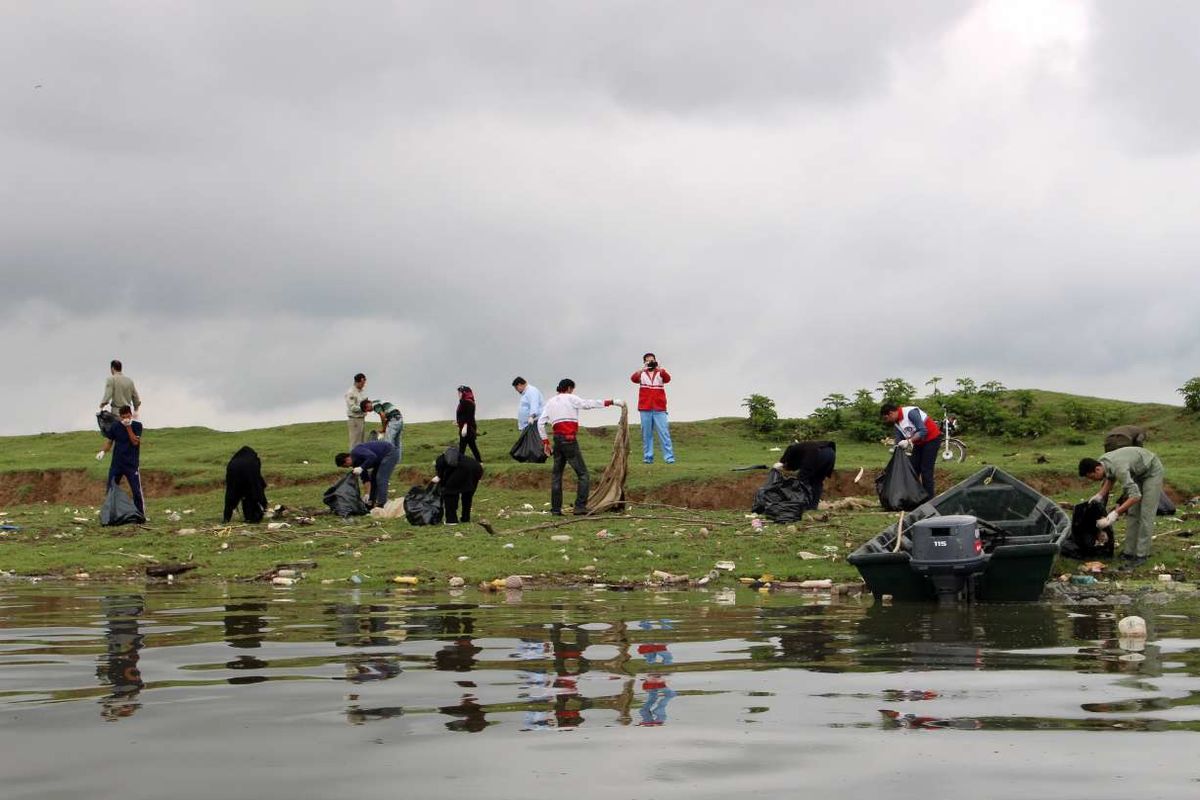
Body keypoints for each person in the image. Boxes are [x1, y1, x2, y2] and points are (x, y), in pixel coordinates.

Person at [537, 379, 625, 516]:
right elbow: (588, 404)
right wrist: (611, 402)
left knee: (556, 475)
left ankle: (555, 509)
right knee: (583, 474)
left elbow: (540, 423)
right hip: (569, 439)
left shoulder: (550, 402)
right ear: (569, 388)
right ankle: (579, 507)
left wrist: (546, 443)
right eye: (572, 389)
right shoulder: (571, 398)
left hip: (557, 440)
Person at [1079, 446, 1165, 569]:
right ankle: (1129, 553)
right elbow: (1110, 477)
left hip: (1151, 471)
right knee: (1133, 513)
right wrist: (1100, 495)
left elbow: (1135, 496)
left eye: (1092, 477)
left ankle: (1142, 555)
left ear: (1097, 469)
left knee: (1146, 514)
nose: (1093, 480)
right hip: (1137, 473)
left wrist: (1114, 514)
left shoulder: (1120, 469)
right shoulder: (1103, 461)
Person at [881, 403, 942, 499]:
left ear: (891, 413)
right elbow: (898, 437)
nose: (887, 421)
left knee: (926, 470)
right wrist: (896, 447)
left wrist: (909, 441)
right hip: (919, 443)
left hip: (931, 439)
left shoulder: (910, 413)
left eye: (886, 418)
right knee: (913, 469)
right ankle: (914, 497)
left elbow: (923, 431)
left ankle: (929, 499)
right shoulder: (897, 422)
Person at [96, 405, 145, 517]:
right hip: (117, 464)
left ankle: (140, 515)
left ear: (131, 415)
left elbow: (135, 442)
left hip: (131, 464)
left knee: (136, 491)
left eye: (127, 416)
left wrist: (128, 427)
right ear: (120, 417)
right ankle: (110, 515)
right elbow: (109, 442)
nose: (125, 419)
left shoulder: (137, 425)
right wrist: (103, 452)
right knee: (111, 489)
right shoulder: (115, 426)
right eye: (123, 417)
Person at [631, 353, 674, 464]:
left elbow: (668, 379)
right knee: (647, 434)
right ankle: (648, 457)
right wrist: (642, 369)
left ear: (655, 360)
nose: (650, 362)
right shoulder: (642, 374)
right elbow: (633, 378)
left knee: (664, 433)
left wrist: (660, 369)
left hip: (659, 408)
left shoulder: (660, 373)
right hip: (645, 408)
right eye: (648, 361)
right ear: (644, 362)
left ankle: (669, 458)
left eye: (652, 360)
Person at [334, 439, 398, 509]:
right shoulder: (356, 465)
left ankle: (382, 504)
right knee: (373, 478)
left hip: (389, 453)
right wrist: (367, 494)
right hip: (379, 459)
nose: (348, 467)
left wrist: (361, 467)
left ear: (347, 459)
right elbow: (366, 479)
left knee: (381, 478)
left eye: (346, 465)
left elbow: (372, 456)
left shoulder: (357, 451)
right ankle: (371, 503)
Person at [772, 440, 837, 509]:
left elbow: (780, 465)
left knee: (802, 480)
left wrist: (778, 468)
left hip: (816, 454)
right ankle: (812, 506)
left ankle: (801, 504)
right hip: (831, 454)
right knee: (817, 481)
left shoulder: (790, 451)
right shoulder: (802, 449)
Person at [432, 446, 484, 524]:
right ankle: (465, 518)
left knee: (449, 494)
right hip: (477, 468)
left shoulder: (440, 460)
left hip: (464, 470)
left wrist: (441, 485)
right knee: (467, 494)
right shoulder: (460, 457)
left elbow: (442, 478)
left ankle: (451, 520)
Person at [223, 446, 268, 523]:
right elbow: (256, 478)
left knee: (231, 495)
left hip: (234, 477)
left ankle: (226, 518)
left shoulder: (233, 461)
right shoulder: (253, 460)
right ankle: (252, 517)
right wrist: (263, 500)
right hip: (249, 480)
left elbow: (229, 480)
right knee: (250, 496)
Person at [456, 385, 482, 462]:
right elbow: (464, 416)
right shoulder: (468, 402)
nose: (459, 395)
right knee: (472, 446)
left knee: (463, 447)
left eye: (460, 393)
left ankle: (459, 463)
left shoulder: (467, 402)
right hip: (468, 428)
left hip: (467, 428)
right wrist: (459, 422)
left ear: (464, 393)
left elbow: (468, 416)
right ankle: (479, 461)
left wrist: (464, 425)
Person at [345, 373, 368, 451]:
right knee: (355, 442)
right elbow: (352, 407)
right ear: (357, 382)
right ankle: (353, 460)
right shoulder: (351, 392)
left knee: (362, 441)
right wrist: (364, 408)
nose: (363, 385)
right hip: (354, 419)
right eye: (362, 383)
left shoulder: (361, 392)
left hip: (362, 418)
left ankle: (361, 461)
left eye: (364, 383)